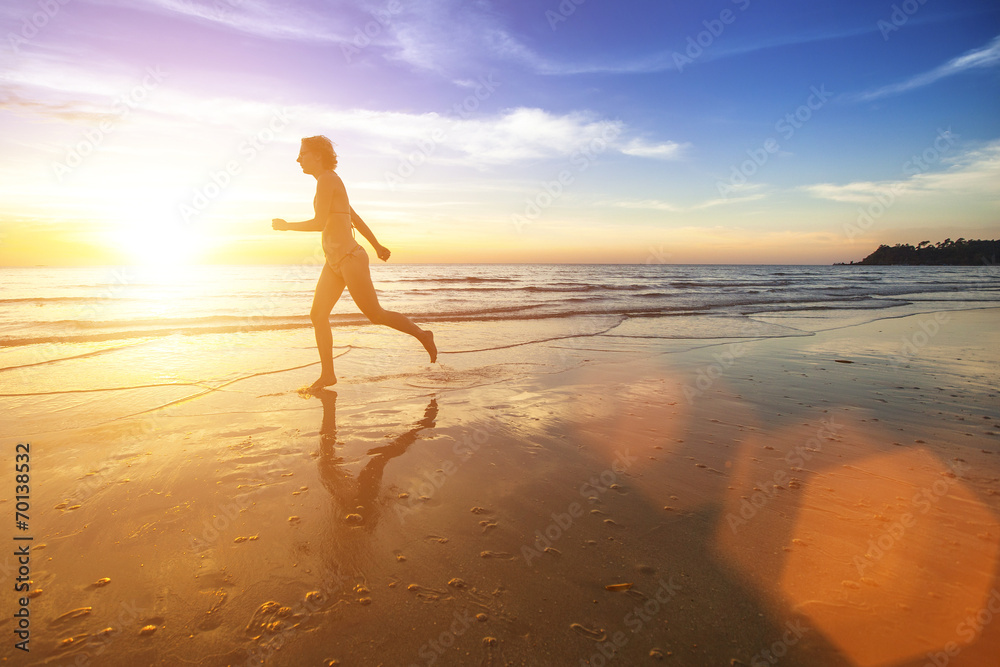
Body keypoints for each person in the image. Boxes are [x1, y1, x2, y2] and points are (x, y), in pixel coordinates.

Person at [272, 135, 436, 390]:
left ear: (318, 155)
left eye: (302, 153)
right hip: (334, 261)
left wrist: (286, 227)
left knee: (375, 314)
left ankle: (423, 334)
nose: (298, 159)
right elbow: (354, 217)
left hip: (350, 258)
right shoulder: (327, 182)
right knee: (318, 315)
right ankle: (328, 375)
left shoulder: (328, 179)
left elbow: (318, 223)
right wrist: (377, 245)